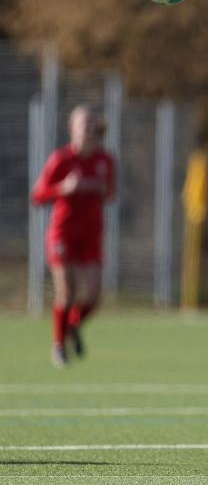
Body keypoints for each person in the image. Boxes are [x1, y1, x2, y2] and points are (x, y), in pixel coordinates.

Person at [32, 105, 116, 367]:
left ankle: (71, 326)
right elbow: (38, 195)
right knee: (66, 294)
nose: (88, 127)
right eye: (83, 123)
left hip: (91, 234)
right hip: (63, 233)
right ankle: (59, 347)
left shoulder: (105, 160)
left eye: (92, 122)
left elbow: (110, 193)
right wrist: (64, 187)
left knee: (93, 295)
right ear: (72, 128)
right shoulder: (61, 159)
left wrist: (97, 188)